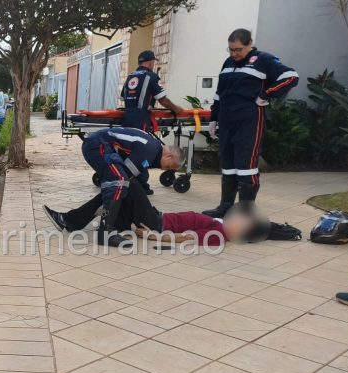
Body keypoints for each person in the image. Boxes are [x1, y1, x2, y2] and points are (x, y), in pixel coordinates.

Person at [203, 28, 299, 218]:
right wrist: (213, 117)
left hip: (249, 121)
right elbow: (219, 93)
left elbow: (291, 77)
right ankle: (226, 207)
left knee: (246, 166)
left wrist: (266, 95)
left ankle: (245, 211)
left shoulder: (263, 60)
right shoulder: (228, 63)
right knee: (228, 165)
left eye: (238, 49)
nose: (234, 54)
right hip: (226, 120)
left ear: (249, 44)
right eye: (231, 49)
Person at [44, 127, 184, 245]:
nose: (164, 170)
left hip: (103, 146)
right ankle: (105, 233)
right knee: (120, 182)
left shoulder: (153, 149)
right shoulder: (150, 149)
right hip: (98, 145)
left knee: (120, 187)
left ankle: (68, 220)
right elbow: (127, 176)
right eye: (169, 167)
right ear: (169, 156)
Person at [45, 179, 259, 246]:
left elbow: (186, 238)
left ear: (239, 234)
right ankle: (73, 220)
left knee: (130, 184)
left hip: (157, 224)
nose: (236, 220)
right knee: (119, 191)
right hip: (158, 216)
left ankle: (73, 220)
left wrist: (152, 236)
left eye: (241, 225)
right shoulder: (221, 223)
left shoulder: (218, 235)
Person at [121, 50, 185, 195]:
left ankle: (127, 179)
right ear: (150, 62)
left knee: (127, 149)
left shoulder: (131, 76)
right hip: (141, 118)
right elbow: (162, 99)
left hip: (127, 115)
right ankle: (141, 185)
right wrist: (177, 109)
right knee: (142, 151)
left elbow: (124, 96)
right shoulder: (151, 76)